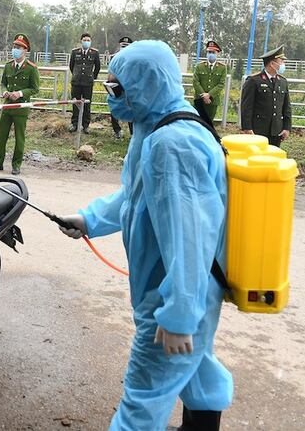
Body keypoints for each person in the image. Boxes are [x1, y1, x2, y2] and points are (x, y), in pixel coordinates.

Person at [58, 40, 233, 431]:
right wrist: (89, 220)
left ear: (145, 84)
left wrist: (178, 315)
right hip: (177, 294)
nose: (111, 96)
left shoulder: (173, 145)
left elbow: (191, 240)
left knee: (142, 401)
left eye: (117, 88)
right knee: (196, 370)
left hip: (173, 298)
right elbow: (137, 195)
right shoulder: (155, 127)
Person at [0, 33, 40, 175]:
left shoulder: (31, 68)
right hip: (7, 106)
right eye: (15, 46)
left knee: (19, 138)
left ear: (25, 50)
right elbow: (3, 83)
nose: (16, 49)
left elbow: (35, 88)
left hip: (21, 108)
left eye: (19, 47)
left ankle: (16, 165)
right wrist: (4, 91)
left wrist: (20, 93)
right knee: (1, 135)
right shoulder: (8, 66)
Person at [240, 45, 292, 147]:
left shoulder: (282, 82)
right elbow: (246, 107)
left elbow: (287, 107)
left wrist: (287, 127)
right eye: (281, 61)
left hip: (277, 131)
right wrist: (247, 129)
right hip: (258, 131)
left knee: (273, 159)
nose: (283, 64)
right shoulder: (254, 80)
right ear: (272, 64)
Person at [68, 32, 101, 133]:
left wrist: (92, 77)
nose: (86, 42)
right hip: (76, 82)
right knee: (75, 103)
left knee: (87, 104)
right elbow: (71, 66)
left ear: (91, 42)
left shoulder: (94, 53)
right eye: (84, 40)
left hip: (88, 83)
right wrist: (75, 75)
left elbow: (97, 67)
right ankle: (75, 124)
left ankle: (86, 125)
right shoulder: (75, 52)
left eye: (88, 40)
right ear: (81, 41)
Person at [192, 40, 227, 125]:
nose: (210, 54)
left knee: (209, 123)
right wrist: (203, 95)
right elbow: (195, 81)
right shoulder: (199, 66)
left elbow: (221, 84)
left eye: (213, 52)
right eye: (209, 52)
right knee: (197, 122)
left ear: (217, 53)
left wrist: (209, 95)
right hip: (199, 99)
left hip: (213, 100)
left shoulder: (222, 68)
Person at [109, 36, 133, 139]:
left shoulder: (134, 58)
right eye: (123, 45)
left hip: (129, 87)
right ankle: (117, 131)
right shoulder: (114, 57)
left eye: (126, 46)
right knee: (114, 108)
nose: (124, 47)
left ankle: (133, 133)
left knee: (132, 108)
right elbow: (110, 72)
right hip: (117, 85)